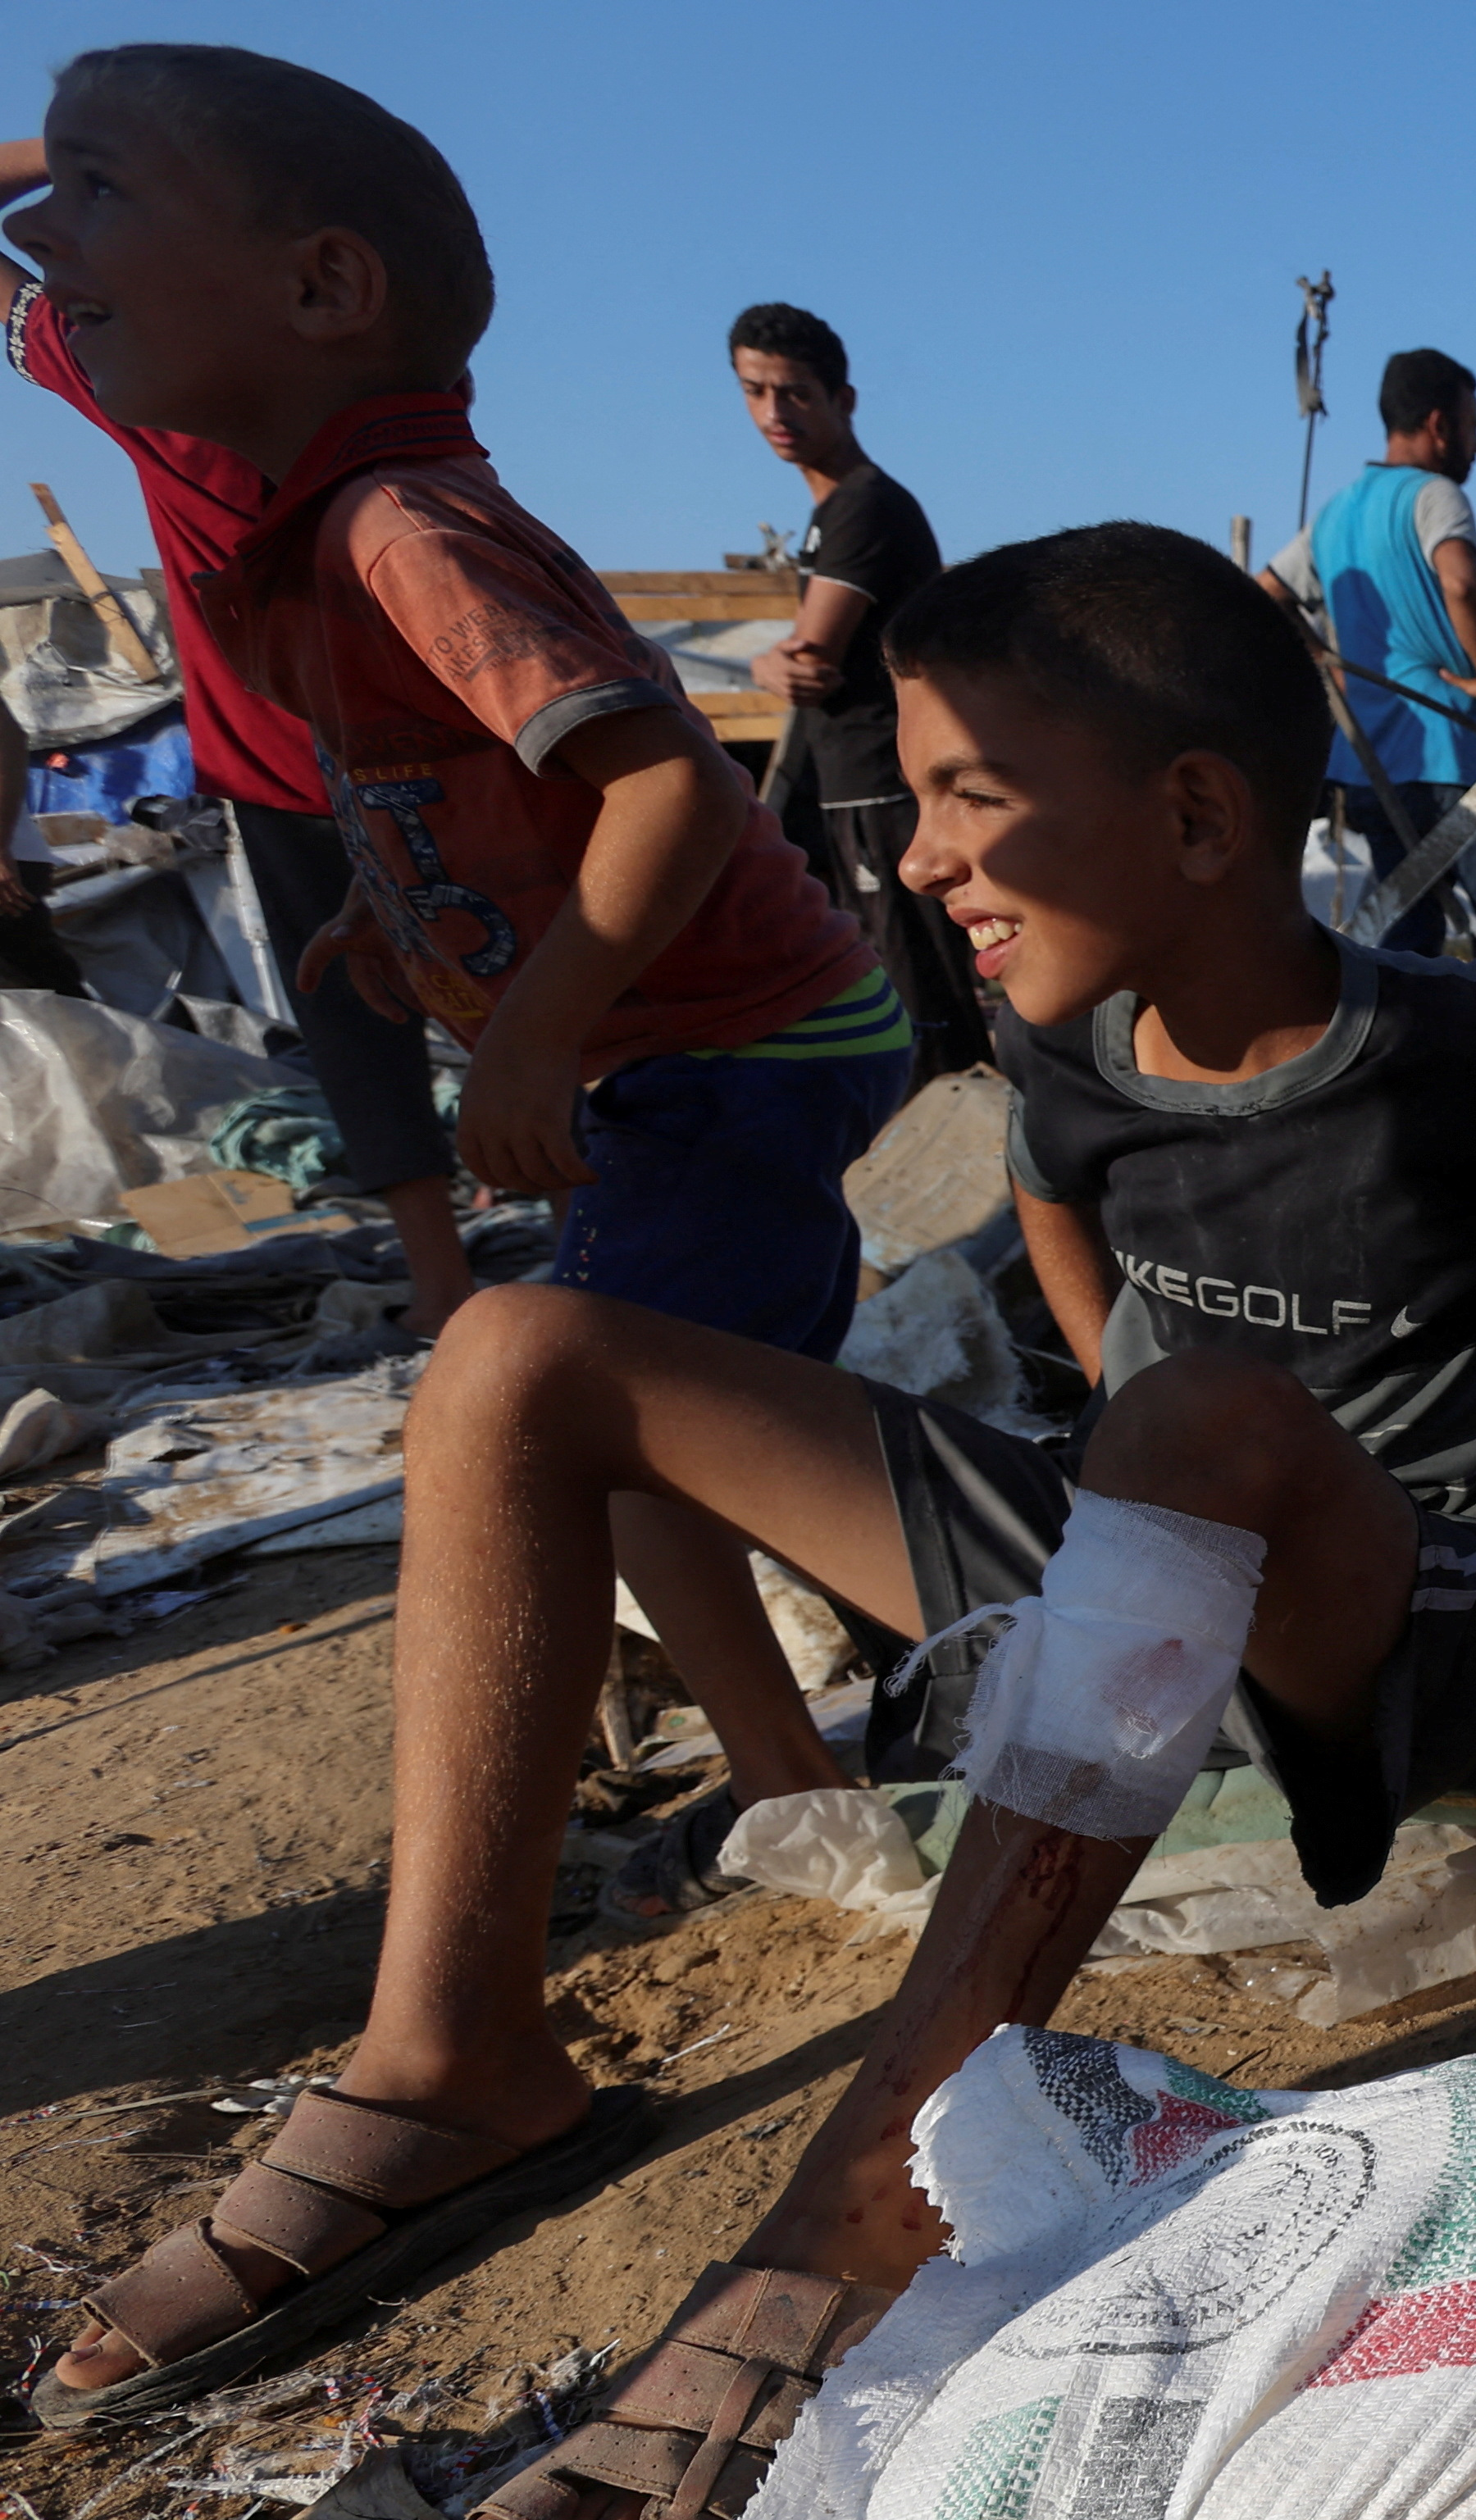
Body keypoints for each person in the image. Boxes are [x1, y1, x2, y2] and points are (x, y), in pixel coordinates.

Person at [31, 516, 1476, 2520]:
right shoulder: (1064, 1042)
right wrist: (1104, 1422)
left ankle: (860, 2189)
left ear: (1192, 812)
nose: (909, 861)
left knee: (1200, 1429)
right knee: (521, 1357)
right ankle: (455, 2059)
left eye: (965, 805)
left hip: (1406, 1602)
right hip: (1151, 1531)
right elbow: (1064, 1221)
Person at [10, 48, 914, 1740]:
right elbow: (431, 789)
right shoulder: (304, 542)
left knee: (610, 1421)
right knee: (652, 1419)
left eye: (101, 187)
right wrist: (395, 916)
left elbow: (663, 783)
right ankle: (804, 1777)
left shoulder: (401, 530)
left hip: (743, 1043)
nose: (49, 232)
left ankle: (1092, 1657)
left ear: (322, 285)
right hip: (691, 1051)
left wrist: (531, 1035)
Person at [2, 120, 472, 1326]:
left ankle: (442, 1284)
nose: (56, 251)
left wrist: (78, 144)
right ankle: (572, 1252)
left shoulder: (159, 401)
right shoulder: (405, 385)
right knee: (516, 1004)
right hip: (442, 759)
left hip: (292, 778)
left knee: (360, 1030)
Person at [731, 298, 982, 1073]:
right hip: (858, 785)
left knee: (921, 1007)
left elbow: (809, 663)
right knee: (899, 991)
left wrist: (766, 663)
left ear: (842, 399)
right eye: (755, 391)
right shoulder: (833, 510)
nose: (775, 411)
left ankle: (965, 1182)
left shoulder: (864, 506)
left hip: (883, 780)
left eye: (796, 392)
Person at [1260, 343, 1476, 976]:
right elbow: (1462, 583)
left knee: (1406, 924)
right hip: (1452, 748)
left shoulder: (1336, 513)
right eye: (1473, 427)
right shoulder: (1435, 496)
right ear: (1439, 424)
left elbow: (1264, 595)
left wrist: (1324, 659)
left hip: (1373, 764)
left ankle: (1394, 1056)